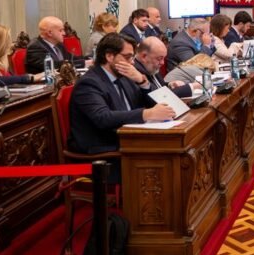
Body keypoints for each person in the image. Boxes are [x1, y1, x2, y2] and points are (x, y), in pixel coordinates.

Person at [68, 34, 175, 178]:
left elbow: (156, 104)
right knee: (166, 158)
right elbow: (103, 117)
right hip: (104, 153)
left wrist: (142, 82)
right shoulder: (89, 83)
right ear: (109, 56)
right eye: (127, 57)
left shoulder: (124, 76)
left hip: (128, 139)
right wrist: (146, 114)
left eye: (132, 57)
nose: (132, 63)